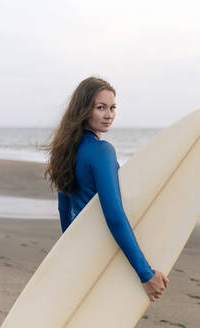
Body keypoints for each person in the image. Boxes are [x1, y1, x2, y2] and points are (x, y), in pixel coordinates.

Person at [44, 76, 169, 302]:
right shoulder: (102, 151)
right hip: (103, 253)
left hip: (81, 252)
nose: (109, 114)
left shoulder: (65, 150)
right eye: (100, 107)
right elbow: (114, 215)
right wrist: (145, 274)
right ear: (83, 109)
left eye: (112, 108)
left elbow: (64, 209)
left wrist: (70, 252)